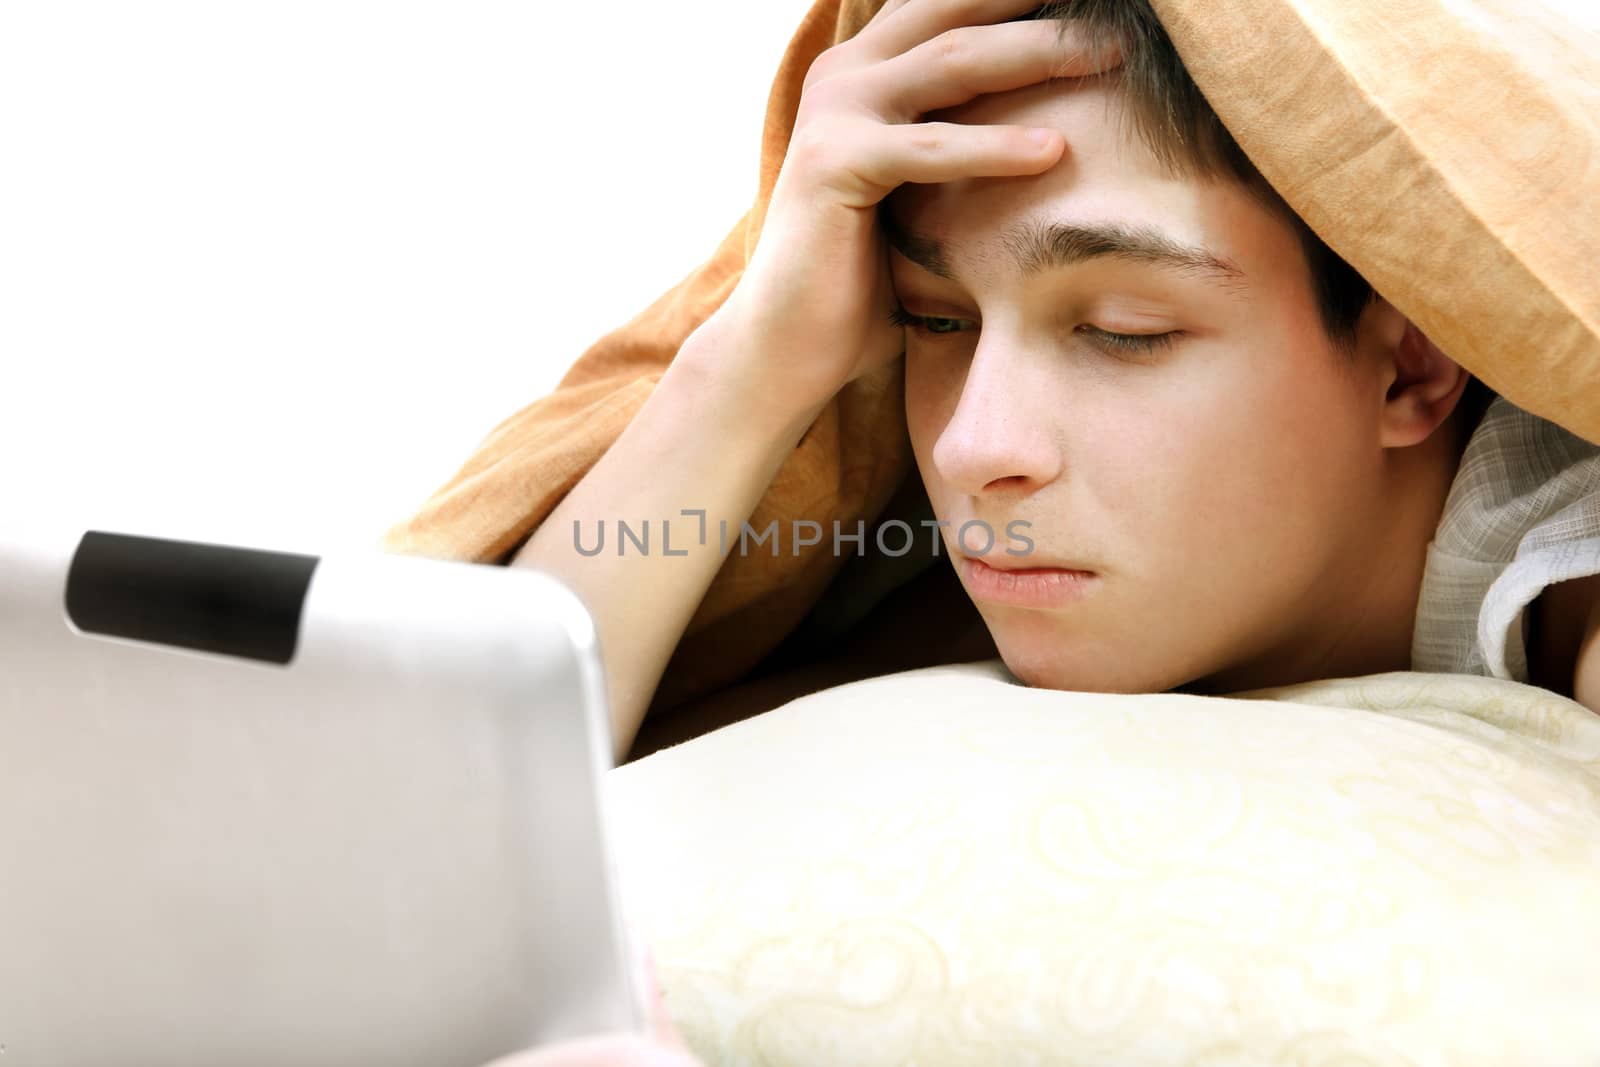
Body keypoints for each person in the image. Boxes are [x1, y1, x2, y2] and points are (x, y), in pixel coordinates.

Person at [502, 0, 1599, 1057]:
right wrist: (752, 358)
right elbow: (459, 779)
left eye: (1122, 331)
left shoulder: (1567, 570)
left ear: (1411, 361)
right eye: (933, 320)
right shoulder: (908, 587)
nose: (977, 446)